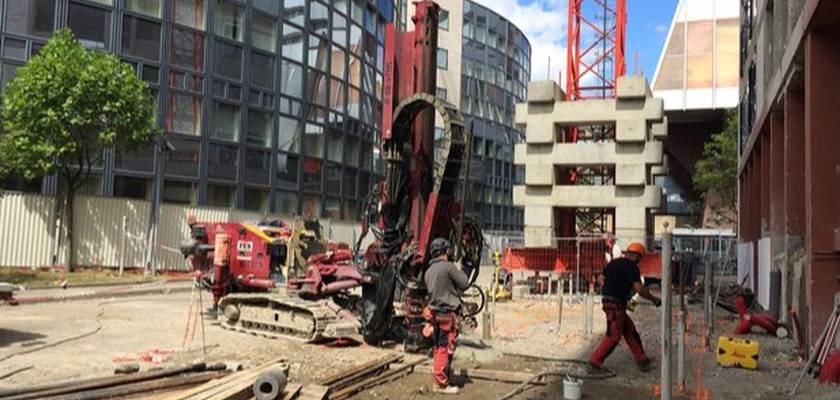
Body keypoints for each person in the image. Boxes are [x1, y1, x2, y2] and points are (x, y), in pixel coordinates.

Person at [588, 242, 662, 374]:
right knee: (613, 336)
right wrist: (654, 299)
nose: (639, 261)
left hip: (609, 302)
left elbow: (600, 279)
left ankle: (642, 360)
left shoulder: (613, 263)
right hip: (617, 305)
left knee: (629, 330)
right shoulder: (632, 267)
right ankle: (594, 362)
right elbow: (640, 289)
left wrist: (609, 290)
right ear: (637, 256)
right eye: (640, 259)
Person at [424, 237, 470, 395]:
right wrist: (459, 269)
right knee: (445, 347)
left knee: (438, 347)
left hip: (435, 314)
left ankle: (440, 378)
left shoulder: (428, 271)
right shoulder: (448, 267)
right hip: (447, 315)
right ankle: (441, 383)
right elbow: (464, 283)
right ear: (445, 251)